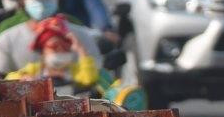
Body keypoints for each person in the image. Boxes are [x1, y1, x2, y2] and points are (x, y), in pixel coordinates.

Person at [8, 15, 145, 108]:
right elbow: (9, 80)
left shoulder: (76, 70)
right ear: (43, 50)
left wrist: (81, 50)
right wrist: (23, 79)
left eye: (65, 46)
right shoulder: (35, 70)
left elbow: (89, 77)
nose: (60, 50)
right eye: (54, 46)